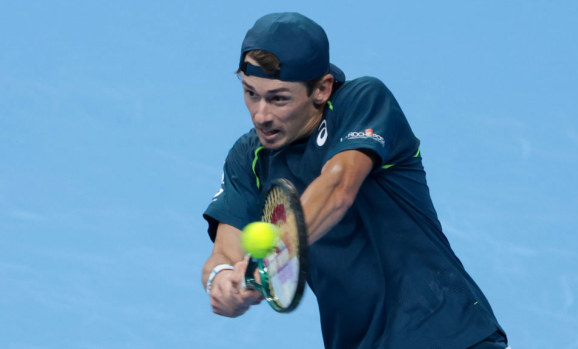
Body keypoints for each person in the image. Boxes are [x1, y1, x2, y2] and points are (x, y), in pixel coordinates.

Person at [202, 12, 509, 349]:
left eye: (279, 98)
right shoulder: (248, 157)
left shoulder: (362, 101)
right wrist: (225, 281)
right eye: (250, 93)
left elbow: (337, 188)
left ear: (321, 88)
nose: (261, 114)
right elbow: (225, 254)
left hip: (447, 334)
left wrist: (274, 257)